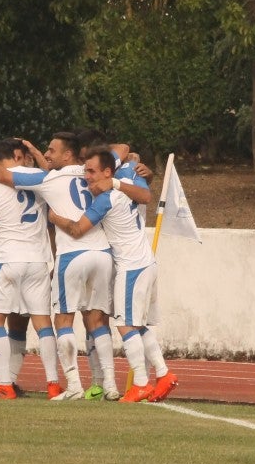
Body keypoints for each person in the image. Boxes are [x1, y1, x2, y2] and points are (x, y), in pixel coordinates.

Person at [0, 132, 119, 400]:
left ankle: (5, 384)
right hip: (52, 259)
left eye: (51, 150)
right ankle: (61, 383)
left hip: (14, 259)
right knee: (50, 323)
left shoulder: (42, 180)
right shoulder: (90, 172)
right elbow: (122, 151)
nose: (46, 155)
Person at [49, 145, 170, 403]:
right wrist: (123, 176)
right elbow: (143, 192)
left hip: (131, 267)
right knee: (139, 325)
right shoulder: (128, 175)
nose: (87, 177)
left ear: (106, 171)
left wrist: (55, 218)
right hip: (147, 262)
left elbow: (77, 229)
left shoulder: (106, 198)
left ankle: (140, 383)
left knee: (125, 326)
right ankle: (163, 373)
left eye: (91, 172)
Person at [0, 138, 58, 400]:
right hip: (38, 261)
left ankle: (3, 384)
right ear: (20, 154)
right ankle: (53, 384)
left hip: (6, 260)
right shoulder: (42, 178)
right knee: (43, 324)